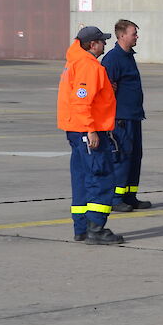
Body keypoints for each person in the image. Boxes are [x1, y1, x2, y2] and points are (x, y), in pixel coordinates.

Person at [57, 25, 125, 246]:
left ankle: (82, 229)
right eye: (102, 41)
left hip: (75, 130)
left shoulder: (74, 62)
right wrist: (91, 129)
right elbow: (82, 100)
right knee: (101, 177)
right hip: (88, 131)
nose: (105, 44)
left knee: (82, 180)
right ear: (92, 44)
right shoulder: (88, 65)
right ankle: (96, 228)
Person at [102, 19, 149, 211]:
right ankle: (115, 199)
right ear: (122, 35)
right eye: (134, 33)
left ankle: (130, 196)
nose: (137, 36)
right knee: (121, 157)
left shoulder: (129, 56)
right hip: (121, 118)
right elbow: (106, 90)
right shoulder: (113, 59)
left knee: (135, 156)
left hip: (134, 116)